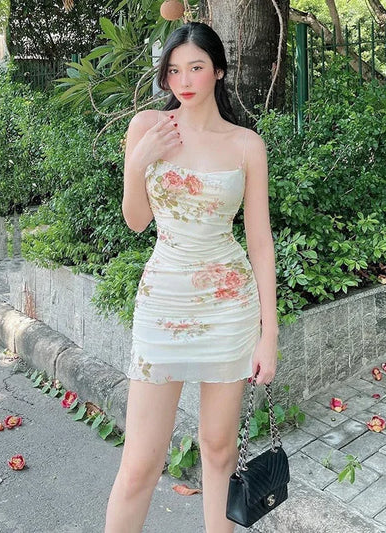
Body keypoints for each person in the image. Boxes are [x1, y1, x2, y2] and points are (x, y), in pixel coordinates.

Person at [105, 21, 278, 533]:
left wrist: (269, 333)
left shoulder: (246, 144)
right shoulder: (147, 127)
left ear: (218, 71)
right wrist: (138, 162)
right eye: (175, 70)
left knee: (220, 449)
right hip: (163, 300)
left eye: (196, 67)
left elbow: (260, 241)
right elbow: (136, 221)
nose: (184, 80)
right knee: (140, 462)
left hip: (229, 307)